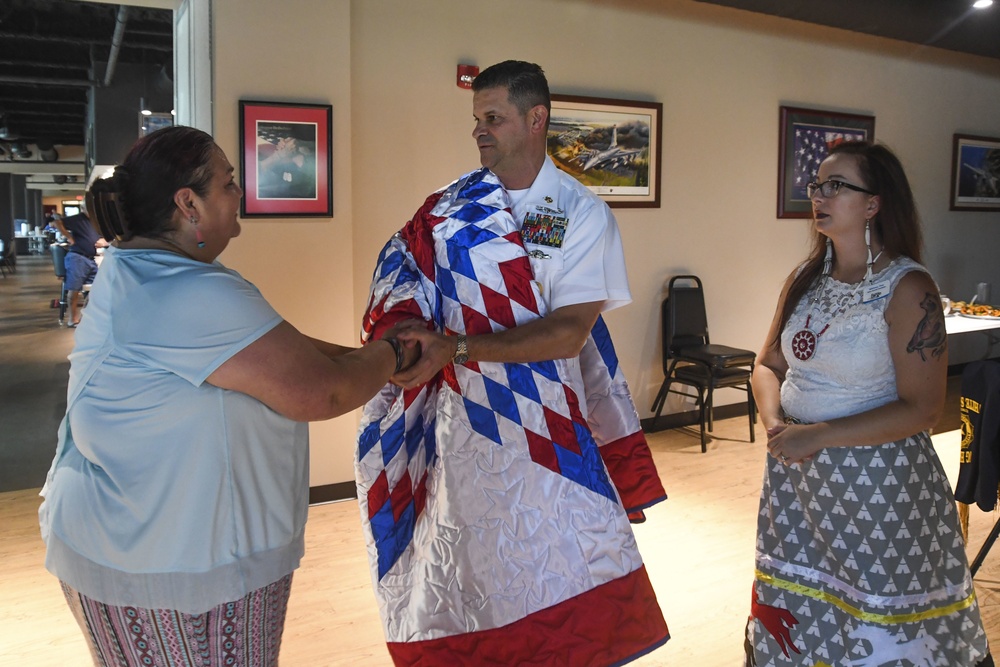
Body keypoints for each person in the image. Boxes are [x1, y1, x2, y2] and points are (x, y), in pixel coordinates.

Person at [38, 126, 419, 667]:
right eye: (228, 181)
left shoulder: (143, 269)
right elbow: (323, 391)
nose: (239, 192)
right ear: (188, 203)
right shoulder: (189, 292)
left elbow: (279, 348)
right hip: (168, 570)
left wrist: (371, 359)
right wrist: (396, 355)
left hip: (128, 541)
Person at [355, 60, 668, 666]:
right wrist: (402, 334)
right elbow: (403, 277)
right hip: (463, 427)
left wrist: (460, 347)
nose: (480, 131)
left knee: (563, 573)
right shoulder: (448, 209)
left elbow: (570, 332)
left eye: (492, 119)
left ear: (536, 119)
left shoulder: (581, 213)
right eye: (476, 120)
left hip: (548, 431)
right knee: (471, 575)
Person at [745, 141, 993, 666]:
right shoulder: (804, 279)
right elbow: (768, 364)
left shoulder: (907, 288)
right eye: (817, 185)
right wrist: (776, 426)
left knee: (878, 609)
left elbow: (923, 410)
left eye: (837, 186)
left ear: (874, 204)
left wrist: (818, 434)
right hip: (799, 475)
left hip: (878, 481)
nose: (820, 195)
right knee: (805, 604)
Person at [54, 205, 106, 327]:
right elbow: (56, 223)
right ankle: (73, 319)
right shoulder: (78, 219)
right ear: (83, 208)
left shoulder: (93, 222)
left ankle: (86, 318)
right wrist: (69, 237)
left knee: (95, 290)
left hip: (90, 259)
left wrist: (102, 241)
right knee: (74, 289)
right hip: (78, 257)